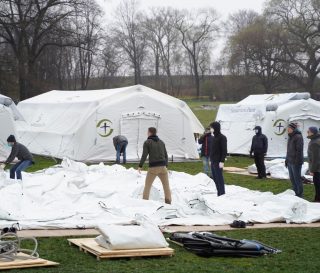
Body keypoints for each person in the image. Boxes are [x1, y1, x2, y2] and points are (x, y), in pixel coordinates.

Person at [138, 127, 171, 204]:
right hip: (163, 167)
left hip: (153, 167)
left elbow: (144, 155)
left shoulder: (147, 142)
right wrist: (166, 165)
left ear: (149, 132)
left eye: (147, 131)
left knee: (147, 186)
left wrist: (140, 166)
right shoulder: (162, 142)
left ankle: (144, 203)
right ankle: (168, 202)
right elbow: (166, 155)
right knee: (166, 186)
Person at [285, 122, 304, 197]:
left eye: (289, 128)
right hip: (290, 161)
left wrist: (297, 161)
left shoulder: (298, 137)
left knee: (297, 178)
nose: (288, 130)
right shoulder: (290, 137)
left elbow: (299, 151)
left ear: (293, 129)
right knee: (292, 178)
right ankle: (295, 192)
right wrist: (286, 160)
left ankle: (300, 194)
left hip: (296, 162)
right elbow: (288, 150)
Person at [210, 121, 227, 196]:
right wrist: (210, 160)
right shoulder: (214, 137)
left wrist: (222, 161)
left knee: (219, 178)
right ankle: (218, 192)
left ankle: (222, 193)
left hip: (218, 161)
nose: (211, 129)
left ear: (215, 128)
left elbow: (224, 150)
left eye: (211, 128)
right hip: (213, 161)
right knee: (215, 178)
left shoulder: (222, 137)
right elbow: (212, 150)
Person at [307, 126, 320, 202]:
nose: (307, 133)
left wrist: (312, 170)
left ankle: (318, 200)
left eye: (308, 131)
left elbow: (316, 158)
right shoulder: (315, 140)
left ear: (313, 132)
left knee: (318, 185)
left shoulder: (315, 142)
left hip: (317, 169)